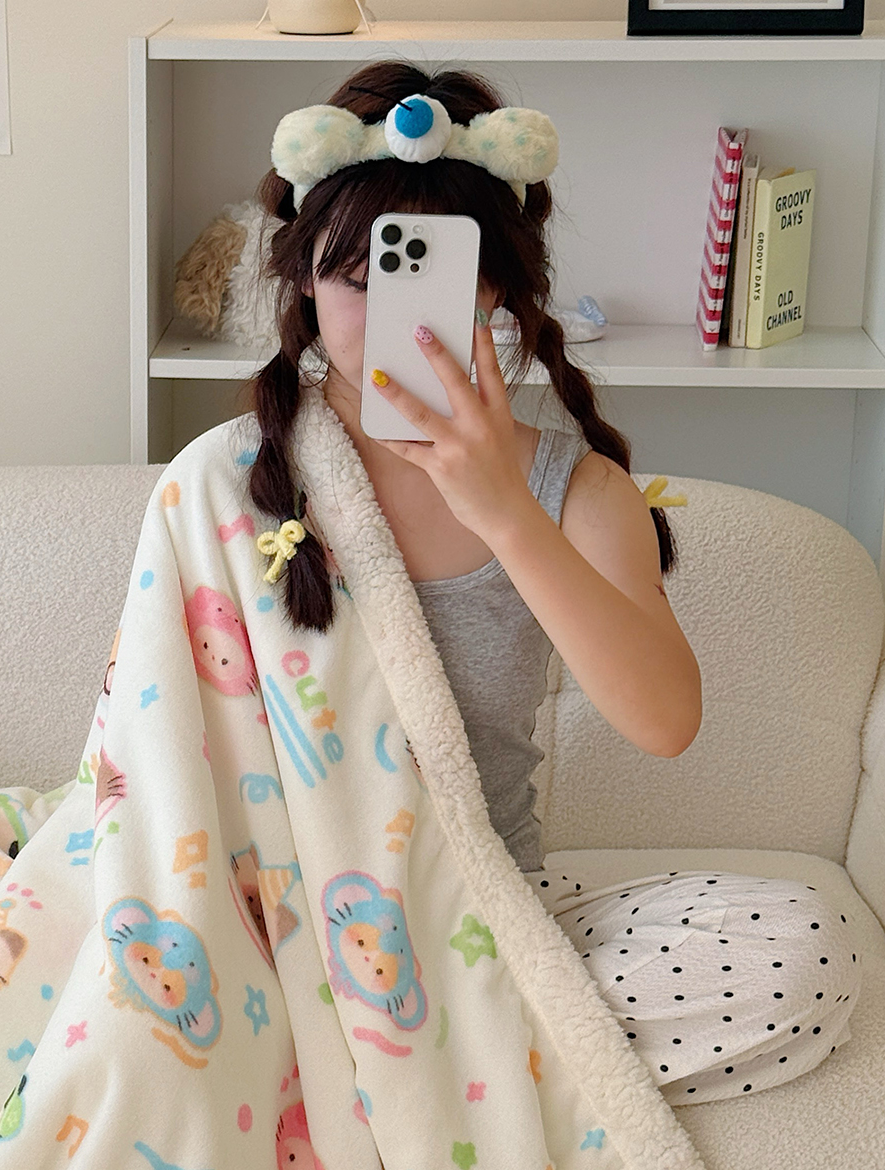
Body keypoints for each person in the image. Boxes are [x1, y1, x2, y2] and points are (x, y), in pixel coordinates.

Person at [241, 59, 858, 1104]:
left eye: (428, 275)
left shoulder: (576, 491)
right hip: (279, 910)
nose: (392, 313)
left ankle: (400, 1057)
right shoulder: (238, 478)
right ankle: (428, 1059)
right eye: (357, 276)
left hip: (486, 912)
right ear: (303, 278)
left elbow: (666, 721)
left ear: (491, 287)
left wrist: (502, 511)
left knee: (806, 954)